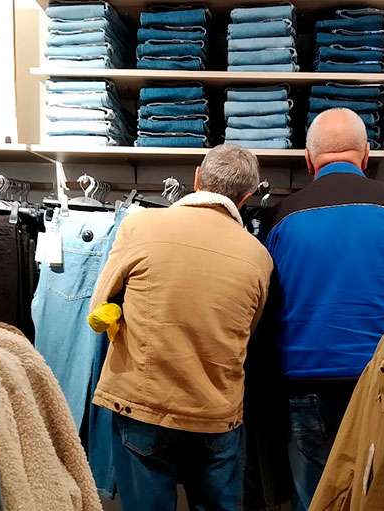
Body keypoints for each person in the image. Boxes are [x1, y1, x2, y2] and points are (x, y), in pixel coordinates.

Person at [263, 108, 384, 510]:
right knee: (382, 496)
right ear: (365, 155)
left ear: (309, 160)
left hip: (305, 381)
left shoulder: (280, 218)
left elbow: (263, 303)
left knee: (316, 498)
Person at [90, 144, 273, 510]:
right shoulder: (258, 256)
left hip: (144, 403)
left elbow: (99, 307)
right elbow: (248, 333)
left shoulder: (140, 225)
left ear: (197, 178)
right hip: (216, 412)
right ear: (247, 197)